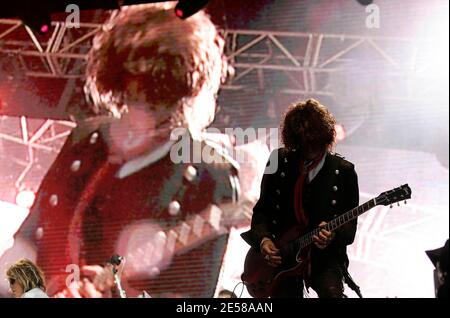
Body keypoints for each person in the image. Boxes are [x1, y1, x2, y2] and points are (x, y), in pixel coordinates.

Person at [1, 3, 241, 298]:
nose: (141, 107)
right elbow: (28, 241)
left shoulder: (210, 171)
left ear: (184, 86)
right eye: (134, 74)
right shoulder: (84, 138)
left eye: (159, 83)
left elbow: (193, 299)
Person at [241, 98, 360, 298]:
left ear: (325, 137)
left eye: (315, 142)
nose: (310, 150)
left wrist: (332, 235)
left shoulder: (345, 171)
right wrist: (263, 240)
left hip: (324, 258)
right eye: (304, 144)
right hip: (282, 255)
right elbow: (263, 210)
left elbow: (349, 231)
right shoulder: (278, 160)